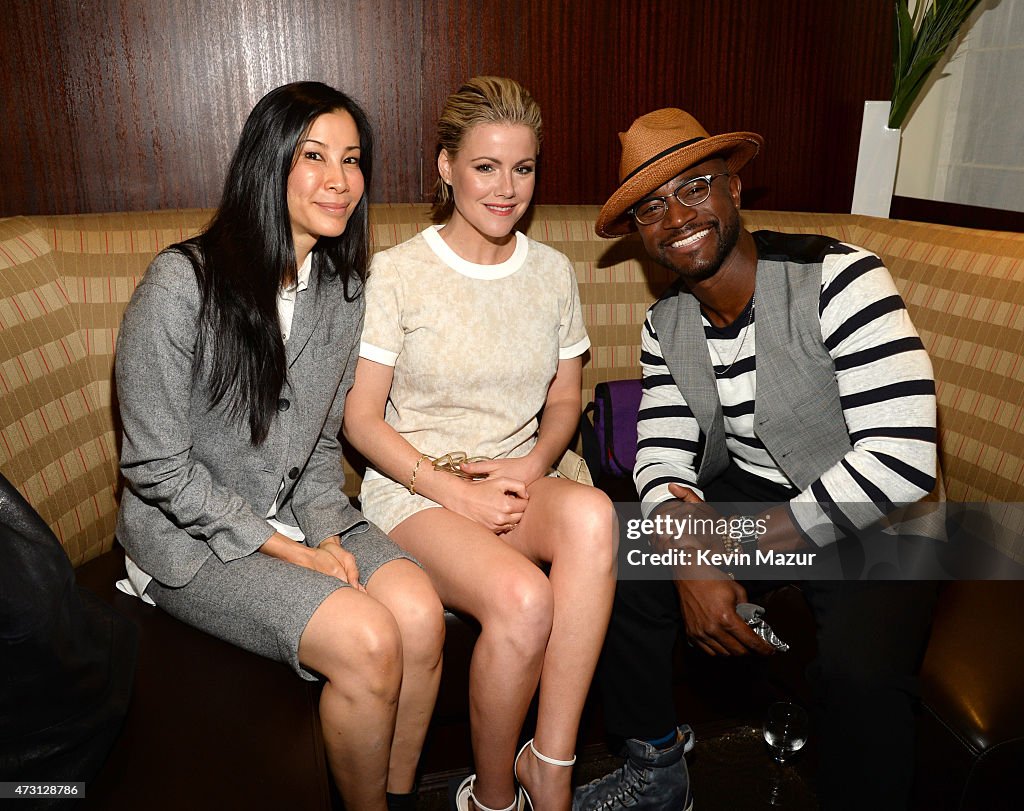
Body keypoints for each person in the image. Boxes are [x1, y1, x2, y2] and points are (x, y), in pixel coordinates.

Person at [574, 108, 940, 811]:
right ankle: (655, 767)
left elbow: (902, 454)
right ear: (639, 234)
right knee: (616, 557)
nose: (676, 216)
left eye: (693, 188)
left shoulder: (841, 276)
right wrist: (689, 555)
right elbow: (660, 456)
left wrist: (725, 548)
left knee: (858, 674)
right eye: (651, 206)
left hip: (877, 511)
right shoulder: (665, 321)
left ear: (733, 190)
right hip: (759, 491)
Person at [114, 81, 444, 811]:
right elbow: (154, 466)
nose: (339, 180)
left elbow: (319, 446)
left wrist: (326, 531)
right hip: (186, 540)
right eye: (314, 156)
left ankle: (397, 793)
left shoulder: (342, 289)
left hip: (293, 513)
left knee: (418, 611)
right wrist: (294, 551)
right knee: (365, 638)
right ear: (269, 163)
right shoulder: (182, 284)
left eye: (353, 160)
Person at [343, 76, 617, 811]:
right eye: (485, 167)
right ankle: (493, 796)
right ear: (445, 167)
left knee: (596, 515)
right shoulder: (399, 272)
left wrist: (530, 466)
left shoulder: (553, 273)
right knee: (524, 599)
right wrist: (454, 490)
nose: (506, 188)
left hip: (516, 476)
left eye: (522, 168)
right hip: (417, 488)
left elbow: (566, 398)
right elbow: (362, 420)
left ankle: (549, 766)